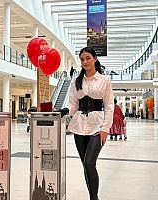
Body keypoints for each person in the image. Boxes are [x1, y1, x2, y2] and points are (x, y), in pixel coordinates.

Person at [61, 47, 114, 200]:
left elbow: (109, 107)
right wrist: (65, 110)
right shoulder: (76, 81)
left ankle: (94, 198)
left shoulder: (105, 81)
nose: (85, 61)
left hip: (97, 126)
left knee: (90, 162)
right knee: (85, 164)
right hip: (79, 127)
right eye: (82, 59)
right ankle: (92, 196)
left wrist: (105, 129)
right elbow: (74, 105)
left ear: (95, 59)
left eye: (88, 58)